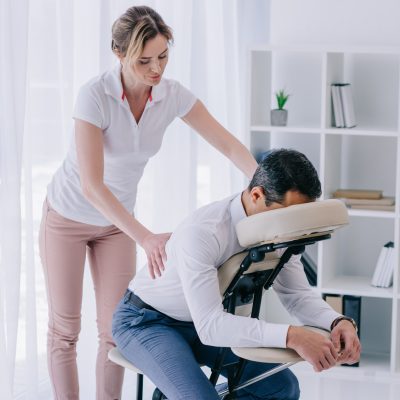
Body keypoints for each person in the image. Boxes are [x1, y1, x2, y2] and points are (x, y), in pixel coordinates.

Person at [38, 5, 257, 400]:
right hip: (67, 218)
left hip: (115, 225)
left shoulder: (171, 96)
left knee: (113, 331)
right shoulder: (95, 95)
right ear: (119, 54)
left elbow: (225, 142)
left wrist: (265, 182)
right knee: (65, 329)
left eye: (163, 57)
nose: (156, 69)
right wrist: (147, 238)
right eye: (144, 60)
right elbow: (92, 185)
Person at [112, 149, 361, 400]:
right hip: (146, 321)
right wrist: (292, 335)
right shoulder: (203, 232)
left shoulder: (283, 227)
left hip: (200, 324)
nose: (294, 225)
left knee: (282, 388)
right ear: (256, 195)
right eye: (289, 214)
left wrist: (338, 321)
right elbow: (211, 326)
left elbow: (296, 295)